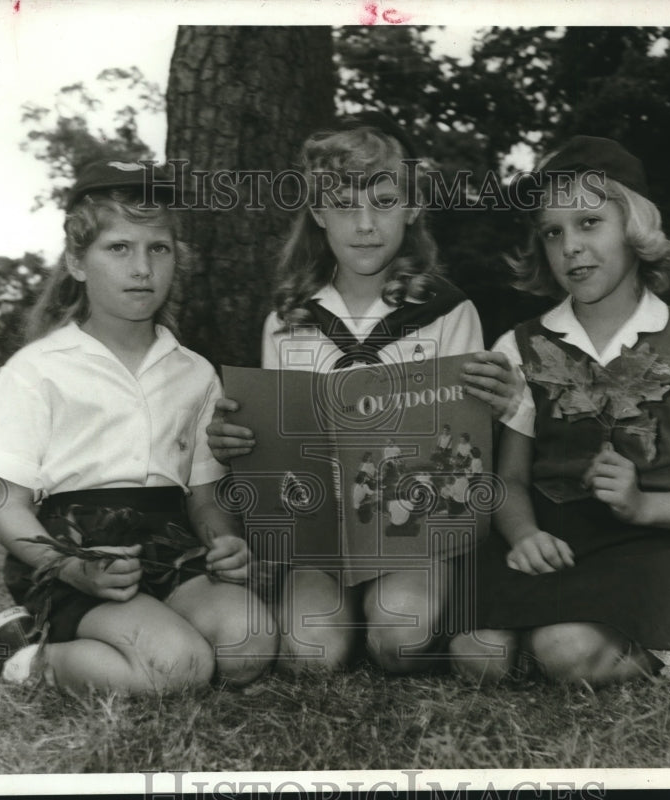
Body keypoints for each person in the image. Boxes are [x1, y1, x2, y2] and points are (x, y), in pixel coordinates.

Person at [449, 136, 670, 685]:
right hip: (554, 544)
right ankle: (549, 643)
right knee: (474, 655)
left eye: (589, 222)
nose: (570, 245)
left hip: (652, 546)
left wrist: (641, 505)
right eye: (553, 232)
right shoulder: (519, 346)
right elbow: (509, 481)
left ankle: (663, 654)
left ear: (635, 226)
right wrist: (524, 533)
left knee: (564, 649)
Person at [0, 161, 277, 694]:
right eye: (118, 248)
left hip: (169, 543)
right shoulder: (36, 369)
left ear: (177, 260)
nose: (142, 268)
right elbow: (3, 506)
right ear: (77, 263)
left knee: (250, 646)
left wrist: (225, 543)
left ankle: (149, 629)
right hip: (75, 548)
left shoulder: (195, 372)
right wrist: (68, 568)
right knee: (179, 668)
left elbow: (203, 497)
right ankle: (24, 655)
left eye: (159, 248)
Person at [207, 112, 502, 674]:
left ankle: (416, 611)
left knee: (400, 640)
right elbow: (281, 445)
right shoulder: (288, 319)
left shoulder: (447, 311)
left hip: (412, 528)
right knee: (310, 654)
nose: (365, 224)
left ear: (412, 207)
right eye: (344, 206)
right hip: (322, 531)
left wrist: (496, 402)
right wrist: (241, 443)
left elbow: (461, 449)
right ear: (318, 213)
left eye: (384, 203)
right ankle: (331, 611)